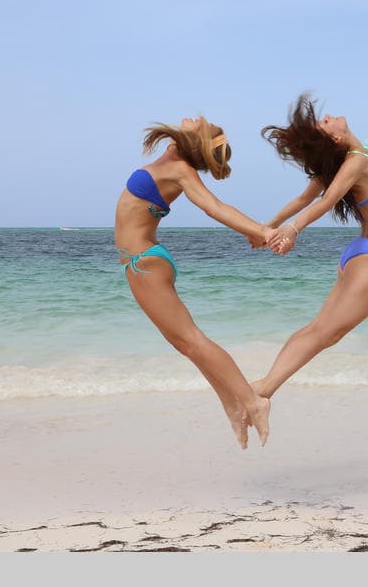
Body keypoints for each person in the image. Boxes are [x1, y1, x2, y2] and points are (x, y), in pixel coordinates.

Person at [114, 115, 272, 449]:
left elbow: (215, 207)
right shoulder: (171, 158)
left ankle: (252, 401)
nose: (199, 117)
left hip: (144, 262)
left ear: (198, 141)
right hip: (142, 262)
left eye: (205, 123)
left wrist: (260, 231)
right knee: (185, 344)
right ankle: (231, 405)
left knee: (192, 340)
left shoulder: (181, 170)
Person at [253, 93, 368, 401]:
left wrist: (267, 227)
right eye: (325, 122)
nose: (328, 116)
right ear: (335, 138)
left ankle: (262, 388)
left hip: (365, 255)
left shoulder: (355, 158)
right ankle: (262, 391)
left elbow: (303, 199)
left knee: (320, 331)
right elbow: (325, 201)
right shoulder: (356, 162)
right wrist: (291, 229)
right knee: (323, 333)